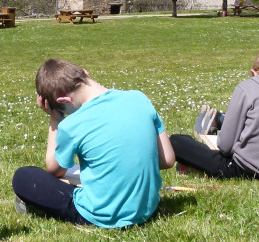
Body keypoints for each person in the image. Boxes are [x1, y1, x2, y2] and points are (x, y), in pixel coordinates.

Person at [11, 59, 176, 228]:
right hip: (147, 209)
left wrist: (55, 119)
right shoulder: (139, 98)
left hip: (104, 215)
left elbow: (54, 170)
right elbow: (168, 160)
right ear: (85, 73)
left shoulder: (72, 124)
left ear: (64, 101)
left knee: (24, 177)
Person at [170, 50, 259, 179]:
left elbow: (225, 146)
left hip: (250, 169)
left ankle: (196, 160)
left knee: (177, 141)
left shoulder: (248, 87)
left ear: (254, 71)